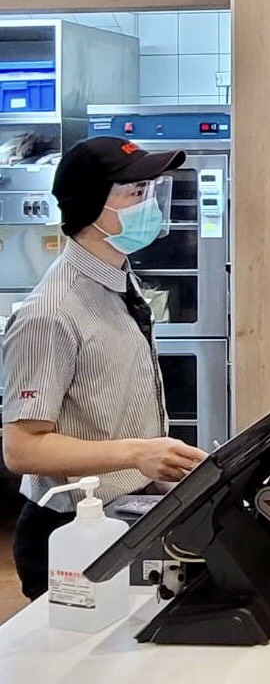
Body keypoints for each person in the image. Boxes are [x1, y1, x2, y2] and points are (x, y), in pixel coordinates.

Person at [3, 136, 208, 600]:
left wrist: (155, 471)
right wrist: (137, 454)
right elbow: (21, 448)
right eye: (135, 193)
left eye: (150, 191)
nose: (150, 205)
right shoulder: (51, 313)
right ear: (91, 205)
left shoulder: (118, 280)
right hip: (69, 528)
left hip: (125, 511)